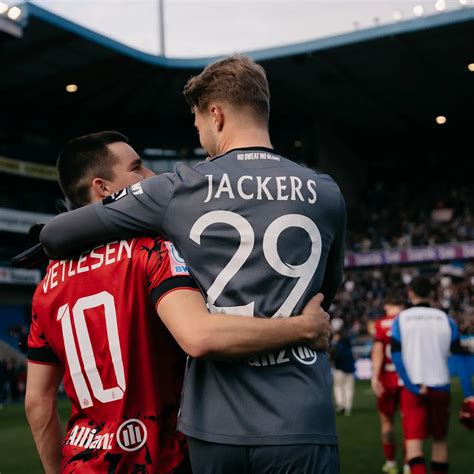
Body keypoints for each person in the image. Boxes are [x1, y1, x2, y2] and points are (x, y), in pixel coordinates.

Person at [39, 55, 347, 473]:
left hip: (214, 423)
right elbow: (326, 289)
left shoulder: (177, 189)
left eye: (199, 124)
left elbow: (55, 235)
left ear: (216, 114)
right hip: (301, 415)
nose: (200, 136)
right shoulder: (326, 193)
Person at [391, 276, 474, 474]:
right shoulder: (447, 320)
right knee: (440, 441)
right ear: (432, 293)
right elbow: (461, 357)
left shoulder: (400, 320)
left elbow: (396, 356)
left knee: (413, 444)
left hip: (414, 389)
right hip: (440, 386)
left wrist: (412, 386)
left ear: (410, 292)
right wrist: (468, 392)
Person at [371, 292, 408, 474]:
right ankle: (410, 463)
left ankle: (391, 463)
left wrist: (375, 376)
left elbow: (378, 350)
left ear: (387, 305)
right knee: (409, 423)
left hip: (387, 379)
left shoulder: (381, 323)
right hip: (408, 380)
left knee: (387, 423)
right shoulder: (409, 320)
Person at [331, 329, 355, 416]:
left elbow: (336, 356)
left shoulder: (338, 345)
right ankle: (348, 407)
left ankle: (340, 404)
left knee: (338, 387)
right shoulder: (348, 344)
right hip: (350, 369)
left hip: (340, 369)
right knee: (348, 389)